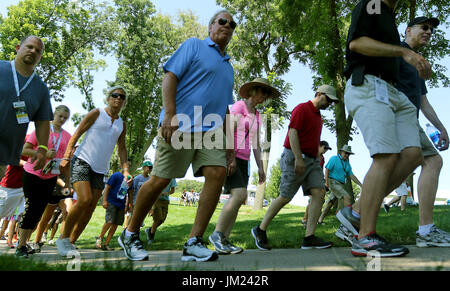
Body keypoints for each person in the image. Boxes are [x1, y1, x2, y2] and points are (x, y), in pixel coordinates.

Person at [118, 10, 236, 262]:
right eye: (222, 21)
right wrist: (170, 115)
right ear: (211, 26)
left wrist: (229, 146)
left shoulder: (229, 68)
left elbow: (226, 108)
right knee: (161, 179)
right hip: (181, 124)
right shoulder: (194, 46)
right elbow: (170, 76)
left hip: (211, 129)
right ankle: (130, 233)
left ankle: (194, 241)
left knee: (217, 174)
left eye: (232, 24)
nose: (227, 26)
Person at [338, 0, 432, 257]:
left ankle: (357, 212)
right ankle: (365, 237)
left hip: (393, 92)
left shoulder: (389, 15)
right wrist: (404, 53)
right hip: (367, 83)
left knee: (413, 155)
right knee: (387, 156)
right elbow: (356, 44)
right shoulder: (373, 4)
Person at [251, 85, 339, 251]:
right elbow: (293, 133)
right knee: (285, 196)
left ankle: (309, 237)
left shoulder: (318, 117)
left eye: (332, 102)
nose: (329, 103)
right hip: (294, 156)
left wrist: (315, 158)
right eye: (328, 99)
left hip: (312, 161)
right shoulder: (302, 109)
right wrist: (298, 158)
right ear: (319, 94)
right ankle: (260, 230)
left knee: (319, 193)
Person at [57, 86, 131, 257]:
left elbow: (122, 148)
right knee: (84, 199)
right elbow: (76, 134)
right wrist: (67, 157)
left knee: (90, 208)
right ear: (108, 97)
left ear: (124, 102)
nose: (118, 99)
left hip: (100, 168)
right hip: (83, 160)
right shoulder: (97, 113)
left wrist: (125, 169)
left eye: (122, 97)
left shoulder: (121, 124)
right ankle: (63, 238)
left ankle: (71, 243)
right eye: (115, 95)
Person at [395, 16, 449, 247]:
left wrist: (441, 127)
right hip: (398, 116)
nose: (428, 32)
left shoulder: (417, 61)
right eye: (424, 27)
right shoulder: (397, 53)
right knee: (432, 161)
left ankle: (355, 216)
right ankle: (426, 231)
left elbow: (423, 101)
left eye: (431, 29)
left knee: (394, 170)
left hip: (408, 118)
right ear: (408, 30)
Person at [209, 78, 279, 254]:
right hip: (232, 157)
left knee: (239, 200)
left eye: (267, 95)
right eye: (263, 92)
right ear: (253, 91)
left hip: (245, 160)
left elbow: (255, 143)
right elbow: (229, 131)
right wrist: (230, 157)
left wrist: (261, 168)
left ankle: (224, 240)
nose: (264, 97)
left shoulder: (257, 115)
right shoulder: (239, 106)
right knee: (239, 195)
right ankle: (217, 234)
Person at [16, 105, 72, 257]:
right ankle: (20, 246)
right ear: (54, 114)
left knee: (38, 212)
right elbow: (24, 150)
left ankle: (24, 243)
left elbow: (65, 162)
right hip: (32, 173)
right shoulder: (42, 130)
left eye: (65, 118)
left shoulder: (67, 137)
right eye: (60, 116)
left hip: (50, 177)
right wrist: (44, 154)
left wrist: (67, 182)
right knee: (31, 209)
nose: (62, 120)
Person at [0, 36, 53, 177]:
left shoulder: (41, 89)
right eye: (29, 47)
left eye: (38, 50)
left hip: (4, 154)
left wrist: (42, 148)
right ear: (18, 48)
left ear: (40, 57)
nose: (33, 51)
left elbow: (43, 121)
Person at [319, 145, 362, 225]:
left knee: (330, 203)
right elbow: (327, 170)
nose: (347, 155)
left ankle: (320, 220)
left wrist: (360, 184)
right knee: (347, 197)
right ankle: (347, 221)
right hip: (333, 182)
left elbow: (352, 175)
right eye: (346, 153)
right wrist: (326, 183)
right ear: (341, 152)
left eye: (348, 154)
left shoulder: (347, 163)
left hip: (341, 185)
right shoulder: (334, 158)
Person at [96, 170, 131, 250]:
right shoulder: (116, 175)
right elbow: (107, 187)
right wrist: (104, 200)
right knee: (109, 221)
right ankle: (100, 238)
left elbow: (130, 192)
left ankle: (106, 244)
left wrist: (129, 205)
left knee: (115, 224)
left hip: (121, 204)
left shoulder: (129, 178)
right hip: (112, 202)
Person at [303, 140, 332, 226]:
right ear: (319, 146)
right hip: (308, 178)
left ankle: (312, 220)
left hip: (317, 180)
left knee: (320, 200)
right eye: (324, 148)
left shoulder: (322, 158)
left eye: (327, 149)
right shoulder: (311, 154)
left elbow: (320, 170)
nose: (325, 151)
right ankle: (305, 220)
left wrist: (324, 183)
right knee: (313, 199)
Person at [145, 179, 177, 244]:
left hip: (165, 201)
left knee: (162, 219)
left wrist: (167, 193)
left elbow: (173, 190)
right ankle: (151, 237)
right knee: (157, 219)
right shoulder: (160, 175)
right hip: (157, 200)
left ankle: (150, 230)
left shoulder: (173, 178)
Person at [125, 160, 153, 228]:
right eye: (147, 167)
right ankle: (126, 231)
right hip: (136, 201)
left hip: (144, 203)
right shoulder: (137, 178)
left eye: (150, 167)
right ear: (143, 168)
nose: (149, 169)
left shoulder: (150, 179)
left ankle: (135, 234)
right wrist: (129, 204)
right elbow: (131, 191)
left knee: (140, 220)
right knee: (133, 217)